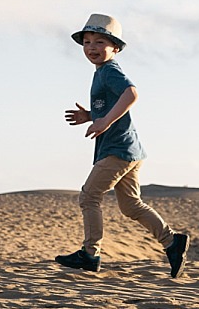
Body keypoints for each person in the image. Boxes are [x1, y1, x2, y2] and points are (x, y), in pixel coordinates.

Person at [55, 14, 190, 277]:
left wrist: (103, 120)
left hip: (118, 149)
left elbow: (132, 93)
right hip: (129, 149)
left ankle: (90, 254)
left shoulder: (109, 71)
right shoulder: (101, 73)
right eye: (87, 42)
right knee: (130, 205)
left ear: (115, 48)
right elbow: (114, 104)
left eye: (100, 42)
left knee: (89, 196)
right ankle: (172, 242)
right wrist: (91, 116)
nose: (92, 47)